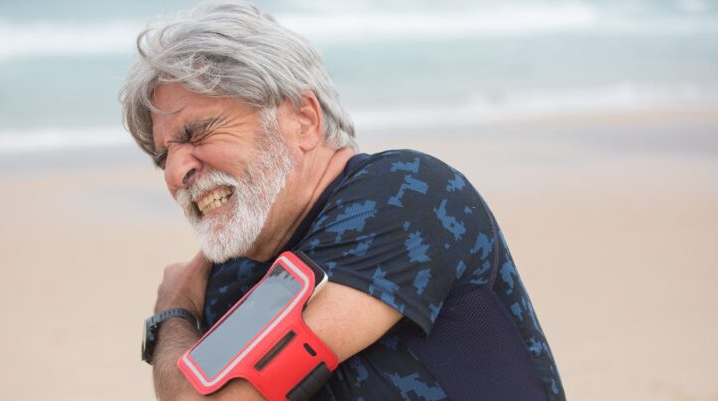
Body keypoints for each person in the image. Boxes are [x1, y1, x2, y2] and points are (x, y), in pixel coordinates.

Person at [121, 1, 565, 400]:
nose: (177, 172)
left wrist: (173, 314)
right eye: (163, 156)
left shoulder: (405, 194)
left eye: (198, 133)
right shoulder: (231, 279)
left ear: (304, 120)